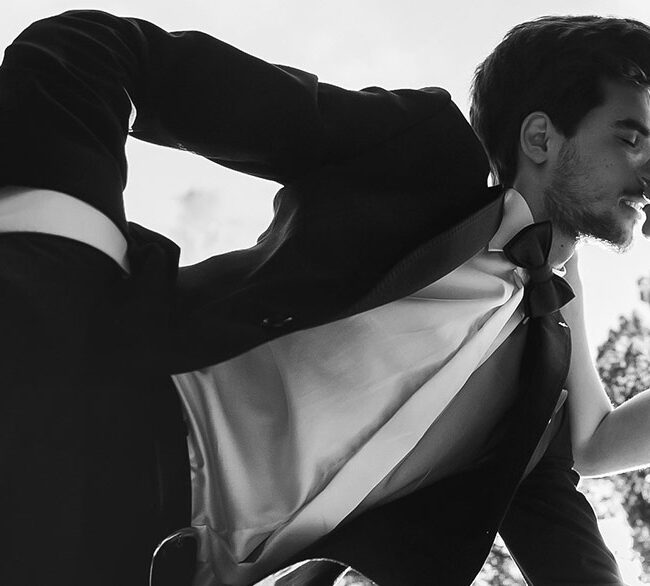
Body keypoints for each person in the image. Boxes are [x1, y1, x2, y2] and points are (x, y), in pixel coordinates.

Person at [0, 10, 648, 586]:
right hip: (83, 416)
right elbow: (89, 51)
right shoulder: (421, 155)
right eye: (631, 138)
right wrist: (60, 279)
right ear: (540, 138)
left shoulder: (540, 392)